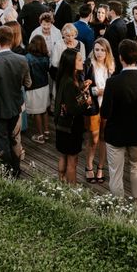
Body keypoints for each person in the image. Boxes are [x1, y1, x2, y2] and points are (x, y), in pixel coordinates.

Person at [102, 39, 137, 211]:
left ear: (120, 58)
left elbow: (104, 113)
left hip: (115, 134)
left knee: (115, 173)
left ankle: (118, 208)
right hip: (135, 132)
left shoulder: (112, 82)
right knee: (136, 167)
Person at [0, 26, 31, 177]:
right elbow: (28, 83)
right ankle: (16, 170)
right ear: (11, 40)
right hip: (15, 106)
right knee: (14, 140)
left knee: (2, 142)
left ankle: (7, 174)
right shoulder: (22, 59)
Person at [54, 48, 90, 184]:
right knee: (72, 161)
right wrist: (86, 101)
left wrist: (81, 89)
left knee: (63, 155)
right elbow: (74, 109)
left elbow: (69, 100)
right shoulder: (70, 83)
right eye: (79, 59)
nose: (83, 61)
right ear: (71, 63)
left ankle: (62, 183)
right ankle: (72, 191)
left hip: (61, 125)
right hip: (71, 127)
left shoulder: (65, 78)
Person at [83, 38, 115, 184]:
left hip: (107, 106)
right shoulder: (89, 65)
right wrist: (97, 91)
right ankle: (89, 165)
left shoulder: (111, 66)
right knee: (93, 138)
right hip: (94, 106)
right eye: (97, 49)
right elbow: (83, 87)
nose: (99, 53)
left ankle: (101, 167)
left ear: (107, 51)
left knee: (104, 138)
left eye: (102, 50)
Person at [25, 35, 50, 145]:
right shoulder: (46, 57)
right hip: (44, 86)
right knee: (44, 110)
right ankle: (46, 131)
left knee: (36, 112)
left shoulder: (28, 58)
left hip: (33, 88)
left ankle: (40, 135)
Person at [104, 0, 127, 72]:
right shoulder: (122, 22)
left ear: (112, 12)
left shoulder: (113, 27)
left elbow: (112, 47)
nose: (106, 13)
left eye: (107, 10)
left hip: (114, 63)